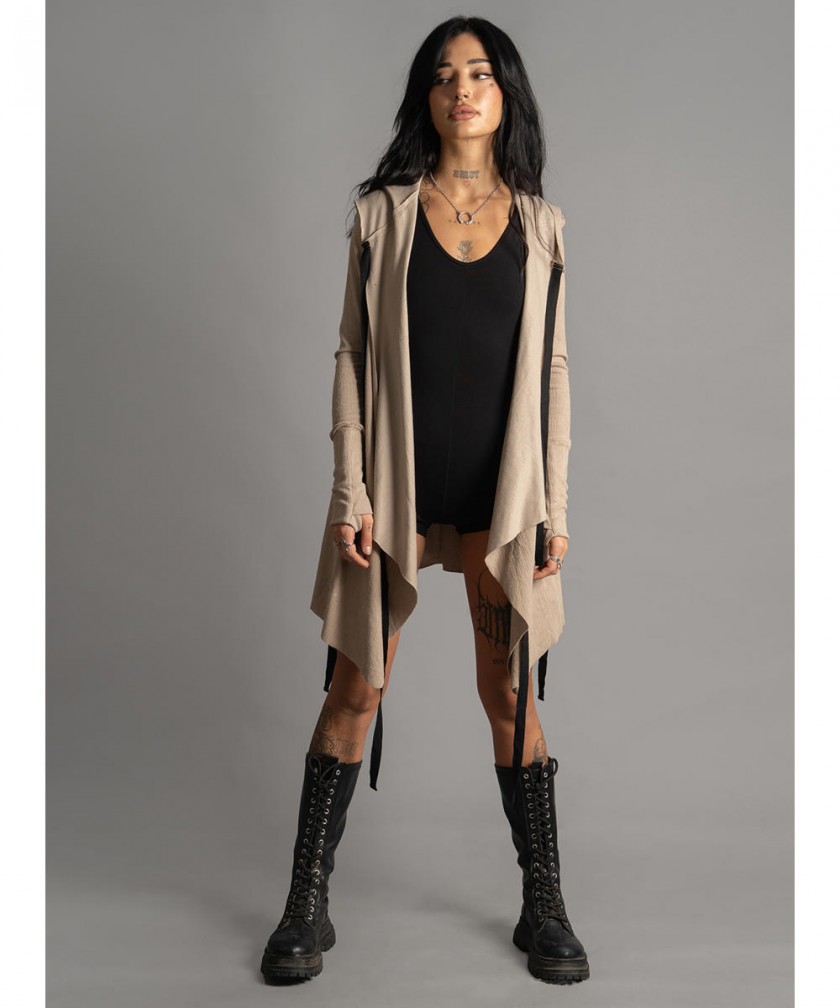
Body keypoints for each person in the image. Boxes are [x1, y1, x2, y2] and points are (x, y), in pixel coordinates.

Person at [260, 15, 589, 987]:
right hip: (395, 494)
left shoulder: (542, 225)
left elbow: (554, 370)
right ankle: (305, 905)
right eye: (445, 76)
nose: (462, 89)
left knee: (511, 696)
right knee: (356, 689)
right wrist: (351, 492)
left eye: (480, 73)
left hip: (503, 492)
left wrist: (556, 505)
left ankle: (545, 904)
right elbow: (352, 353)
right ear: (428, 97)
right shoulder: (383, 216)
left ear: (505, 93)